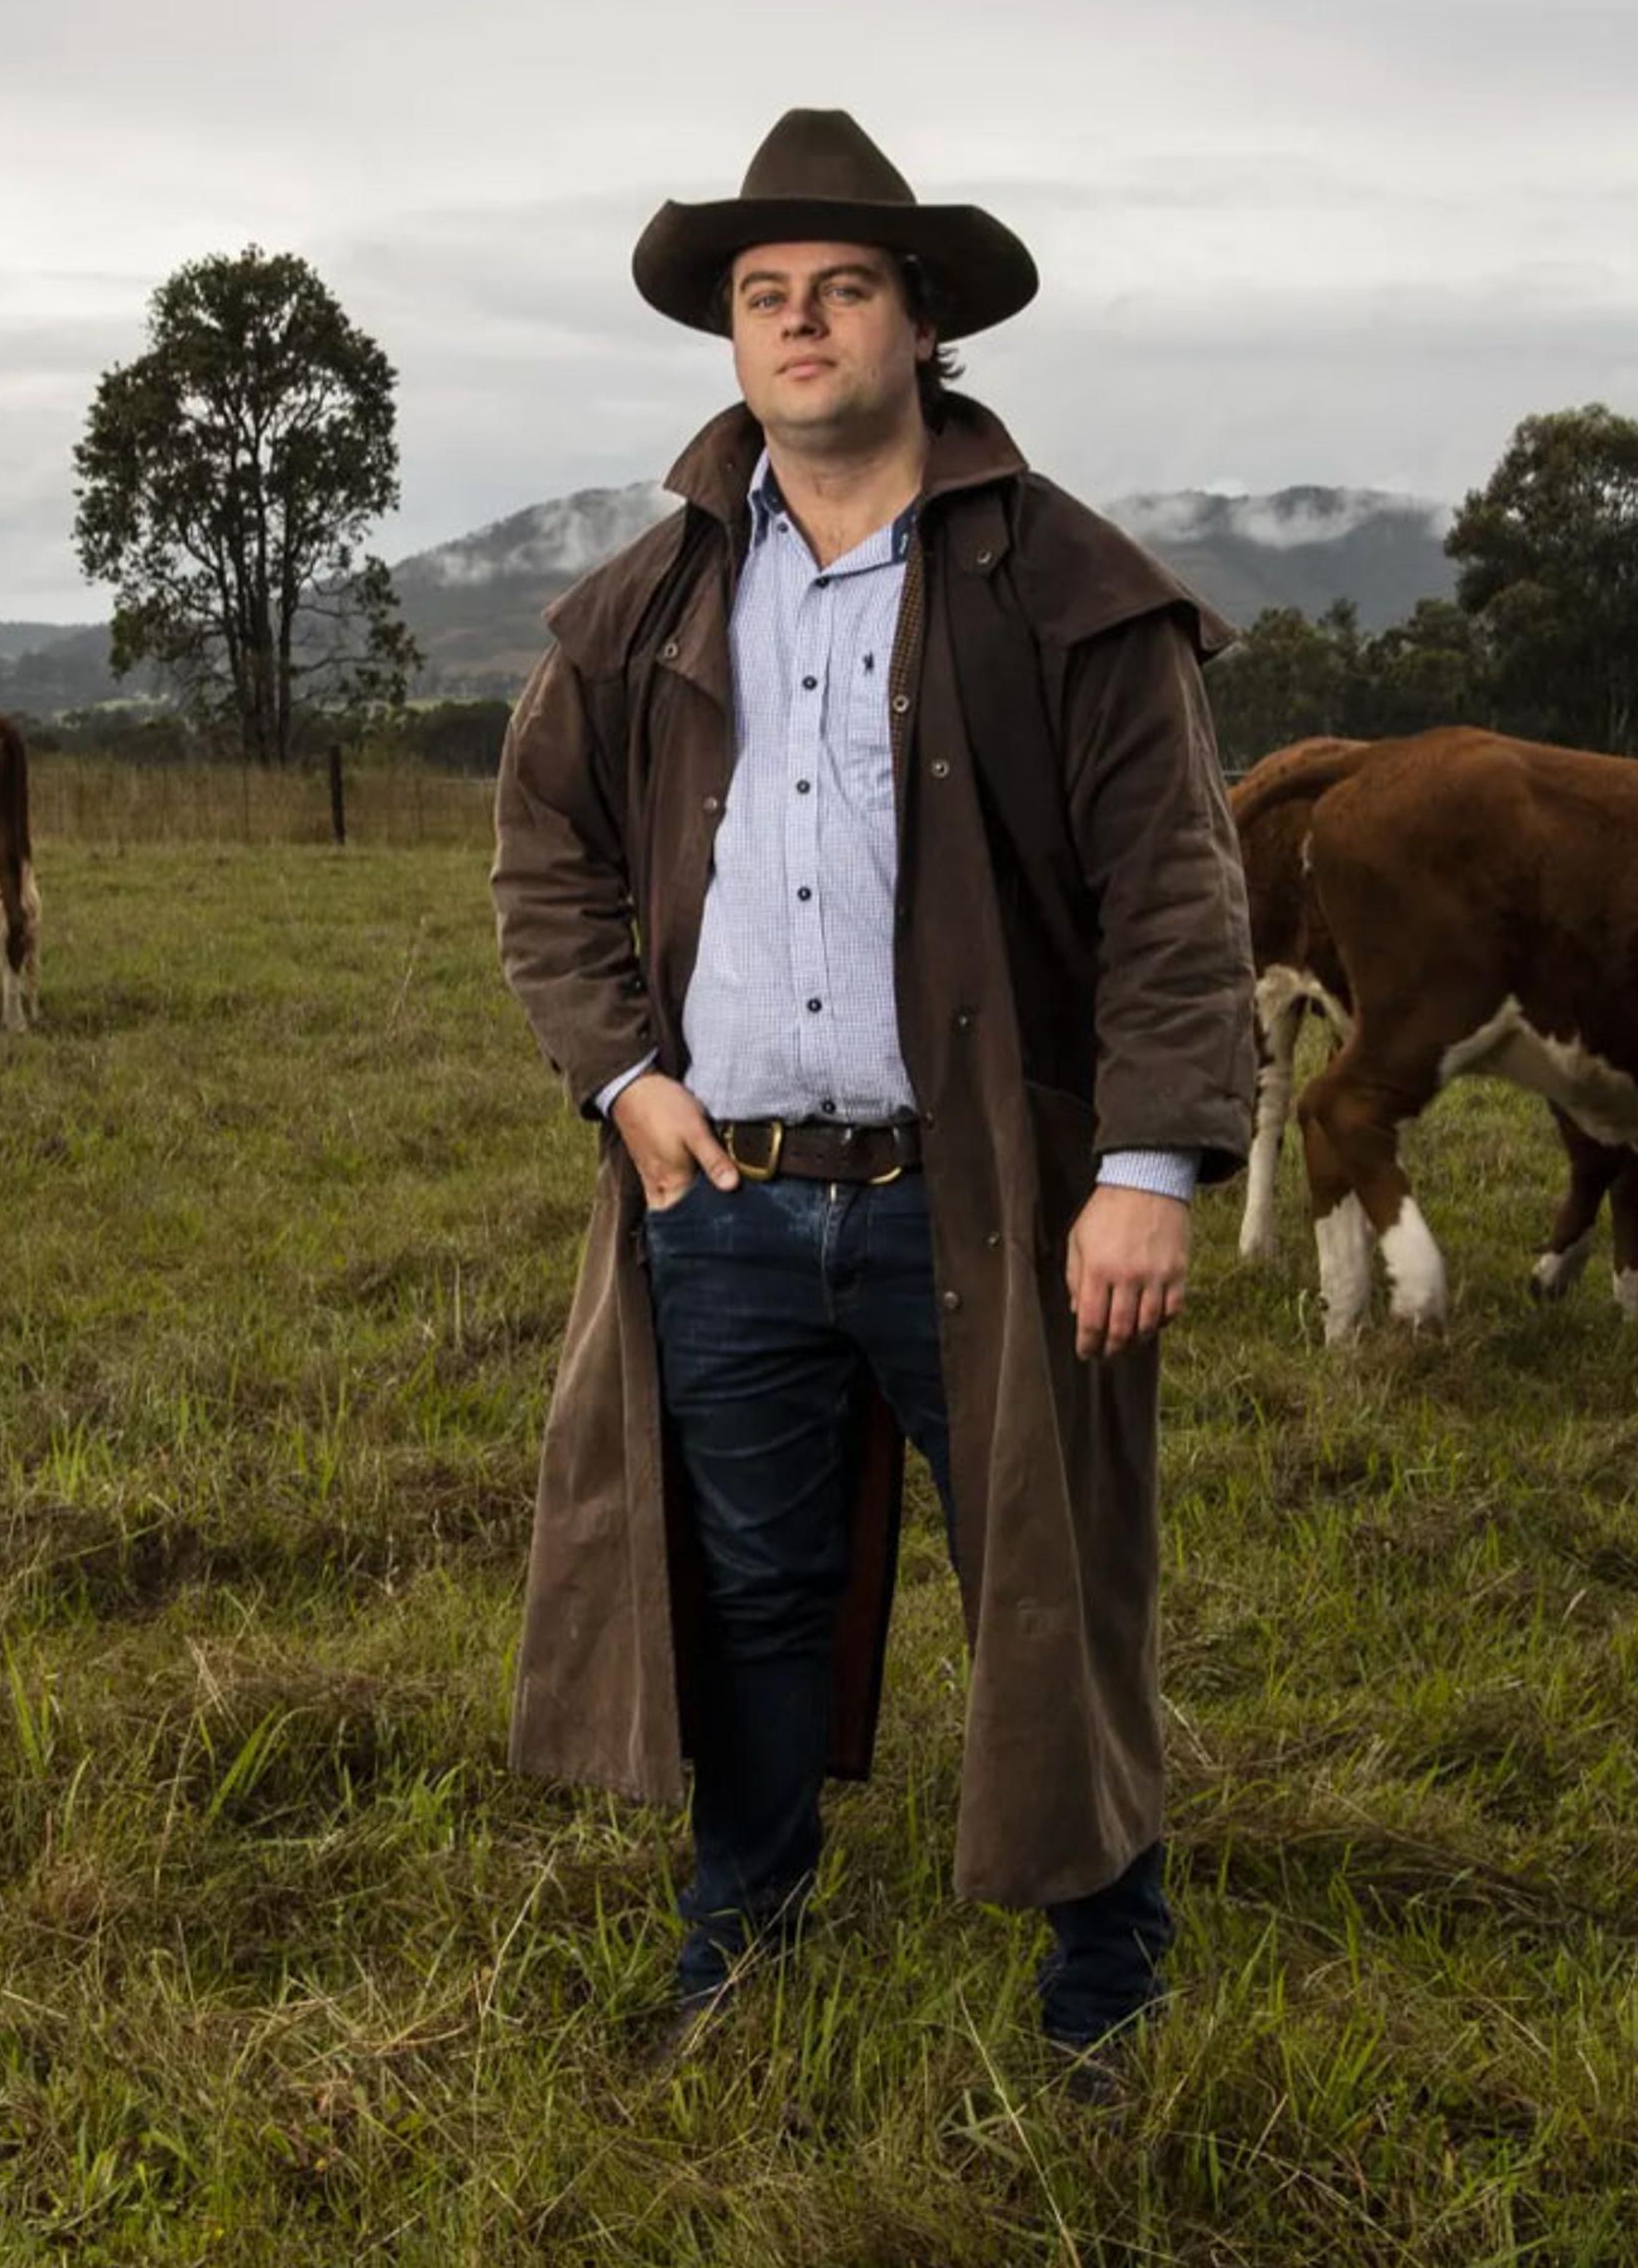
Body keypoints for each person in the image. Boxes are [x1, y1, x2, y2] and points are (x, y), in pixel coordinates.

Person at [490, 106, 1257, 2092]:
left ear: (920, 323)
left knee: (1051, 1574)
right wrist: (627, 1078)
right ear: (732, 343)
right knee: (747, 1586)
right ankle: (737, 1934)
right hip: (725, 1193)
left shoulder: (1062, 587)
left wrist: (1152, 1163)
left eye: (842, 289)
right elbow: (545, 863)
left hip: (992, 1189)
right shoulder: (648, 602)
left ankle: (1109, 1978)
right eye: (767, 298)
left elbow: (1178, 884)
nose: (803, 324)